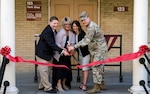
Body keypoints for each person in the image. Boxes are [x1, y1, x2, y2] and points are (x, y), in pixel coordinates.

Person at [67, 11, 108, 93]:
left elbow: (86, 41)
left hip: (99, 50)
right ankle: (101, 84)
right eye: (82, 20)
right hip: (96, 49)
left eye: (84, 19)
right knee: (99, 67)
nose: (83, 22)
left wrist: (74, 47)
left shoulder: (91, 27)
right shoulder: (90, 25)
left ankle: (97, 87)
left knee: (96, 67)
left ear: (88, 18)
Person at [35, 16, 69, 93]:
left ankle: (42, 85)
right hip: (42, 54)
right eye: (54, 23)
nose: (55, 25)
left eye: (57, 23)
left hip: (49, 54)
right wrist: (62, 51)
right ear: (50, 22)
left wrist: (62, 48)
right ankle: (48, 88)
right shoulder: (47, 31)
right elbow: (51, 44)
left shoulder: (53, 30)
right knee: (44, 71)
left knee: (47, 70)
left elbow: (55, 43)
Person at [52, 17, 75, 92]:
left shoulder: (71, 33)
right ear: (63, 25)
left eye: (69, 24)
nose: (67, 26)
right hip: (59, 55)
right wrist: (63, 50)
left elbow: (73, 43)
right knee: (59, 71)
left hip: (67, 55)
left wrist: (71, 49)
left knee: (66, 70)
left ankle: (64, 83)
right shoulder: (60, 33)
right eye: (65, 24)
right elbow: (57, 44)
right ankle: (58, 85)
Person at [71, 20, 90, 91]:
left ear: (79, 26)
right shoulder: (74, 35)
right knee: (83, 69)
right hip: (80, 54)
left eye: (76, 26)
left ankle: (84, 85)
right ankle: (82, 83)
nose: (75, 27)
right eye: (73, 26)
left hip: (85, 54)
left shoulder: (82, 34)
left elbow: (82, 45)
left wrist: (74, 47)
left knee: (85, 69)